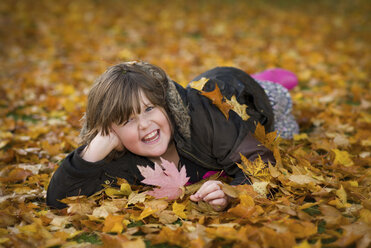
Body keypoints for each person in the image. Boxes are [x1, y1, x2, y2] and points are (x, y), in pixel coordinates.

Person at [46, 61, 299, 211]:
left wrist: (233, 192)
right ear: (112, 131)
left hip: (238, 96)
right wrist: (90, 154)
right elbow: (59, 200)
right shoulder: (122, 154)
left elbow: (261, 160)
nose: (144, 125)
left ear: (165, 105)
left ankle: (268, 81)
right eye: (127, 120)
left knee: (284, 126)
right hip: (203, 95)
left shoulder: (204, 120)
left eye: (149, 109)